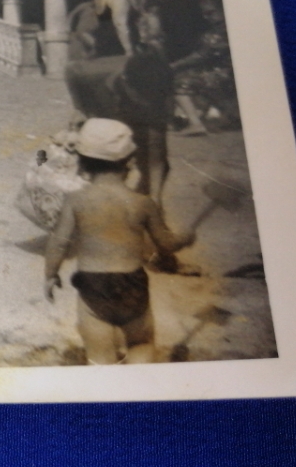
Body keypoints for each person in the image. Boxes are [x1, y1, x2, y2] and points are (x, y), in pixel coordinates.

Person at [44, 119, 193, 364]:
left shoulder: (76, 200)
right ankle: (140, 388)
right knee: (141, 342)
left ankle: (107, 384)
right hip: (132, 282)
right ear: (131, 161)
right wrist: (185, 238)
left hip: (93, 284)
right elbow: (166, 244)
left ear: (82, 162)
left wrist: (50, 274)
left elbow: (58, 242)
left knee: (99, 353)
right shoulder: (143, 202)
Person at [171, 0, 236, 136]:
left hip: (228, 75)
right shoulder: (234, 26)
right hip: (233, 74)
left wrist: (174, 65)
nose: (207, 17)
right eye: (205, 14)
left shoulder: (220, 31)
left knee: (180, 82)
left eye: (211, 12)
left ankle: (196, 124)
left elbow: (202, 56)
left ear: (222, 9)